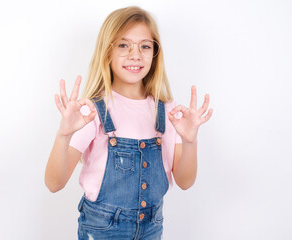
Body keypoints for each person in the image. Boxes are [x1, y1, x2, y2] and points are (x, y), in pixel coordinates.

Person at [45, 6, 213, 240]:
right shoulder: (92, 111)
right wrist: (63, 136)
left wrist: (190, 140)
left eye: (145, 46)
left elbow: (185, 182)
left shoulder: (167, 111)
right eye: (123, 45)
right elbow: (54, 183)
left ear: (155, 53)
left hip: (152, 228)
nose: (135, 55)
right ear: (107, 52)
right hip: (102, 229)